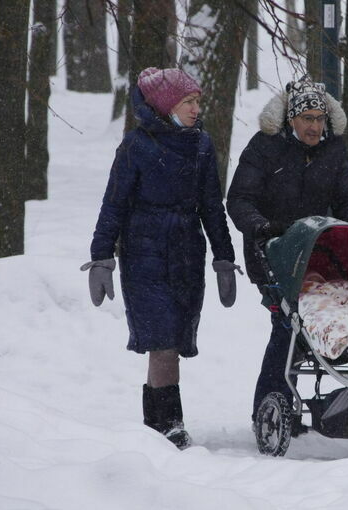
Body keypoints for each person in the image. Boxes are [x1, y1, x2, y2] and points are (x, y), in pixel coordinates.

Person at [80, 67, 240, 449]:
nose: (196, 109)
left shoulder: (201, 145)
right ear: (168, 104)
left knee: (176, 340)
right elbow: (113, 204)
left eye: (198, 101)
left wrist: (223, 257)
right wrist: (102, 256)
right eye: (188, 101)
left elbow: (211, 207)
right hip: (144, 255)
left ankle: (156, 426)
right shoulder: (136, 146)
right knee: (162, 341)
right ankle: (169, 426)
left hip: (186, 255)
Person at [226, 75, 348, 430]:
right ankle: (270, 406)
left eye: (321, 119)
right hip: (273, 251)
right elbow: (240, 198)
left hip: (319, 254)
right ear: (291, 119)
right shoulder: (265, 147)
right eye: (308, 119)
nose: (315, 126)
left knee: (317, 325)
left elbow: (346, 199)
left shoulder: (333, 149)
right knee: (288, 327)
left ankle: (336, 402)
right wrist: (260, 226)